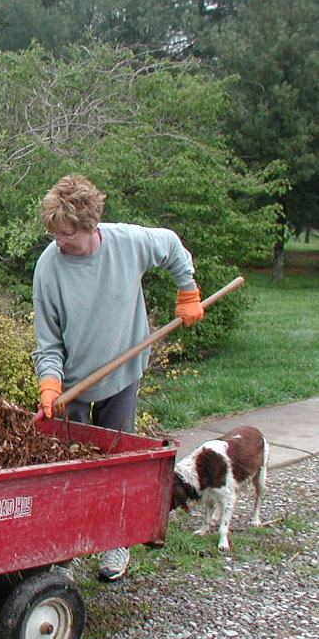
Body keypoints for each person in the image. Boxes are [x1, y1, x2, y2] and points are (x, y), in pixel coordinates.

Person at [31, 173, 204, 582]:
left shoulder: (129, 242)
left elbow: (173, 247)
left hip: (123, 370)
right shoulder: (48, 268)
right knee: (72, 466)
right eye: (54, 233)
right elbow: (48, 341)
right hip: (73, 383)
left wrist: (188, 290)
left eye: (67, 233)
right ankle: (68, 549)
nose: (60, 241)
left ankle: (115, 543)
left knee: (116, 461)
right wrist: (50, 383)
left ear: (90, 226)